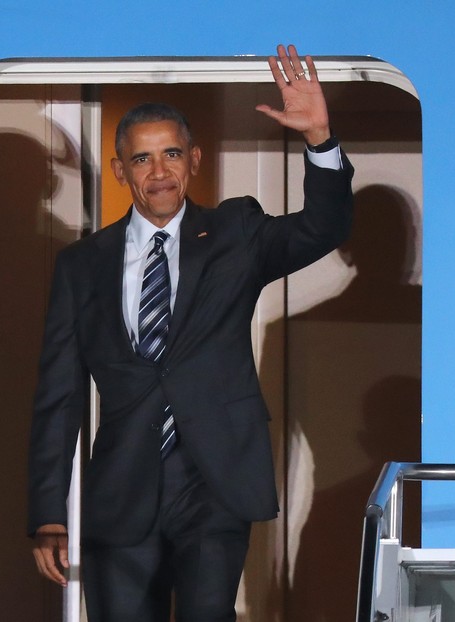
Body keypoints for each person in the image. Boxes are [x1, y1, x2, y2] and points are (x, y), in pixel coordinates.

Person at [27, 44, 354, 621]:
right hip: (122, 488)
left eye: (171, 153)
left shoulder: (236, 233)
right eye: (143, 159)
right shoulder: (82, 265)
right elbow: (60, 396)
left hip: (213, 481)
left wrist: (319, 141)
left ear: (194, 160)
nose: (159, 172)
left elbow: (322, 227)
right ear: (122, 168)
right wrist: (49, 511)